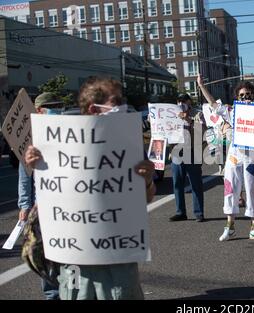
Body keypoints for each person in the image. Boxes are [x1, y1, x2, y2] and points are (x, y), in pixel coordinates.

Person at [25, 77, 156, 300]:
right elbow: (50, 200)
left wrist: (147, 180)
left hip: (118, 263)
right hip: (75, 263)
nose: (123, 107)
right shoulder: (59, 146)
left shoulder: (127, 145)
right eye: (116, 102)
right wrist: (35, 164)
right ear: (95, 108)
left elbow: (145, 199)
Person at [197, 74, 254, 241]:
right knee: (230, 190)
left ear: (253, 95)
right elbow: (214, 105)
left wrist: (253, 112)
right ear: (237, 97)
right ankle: (229, 227)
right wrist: (201, 86)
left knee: (253, 191)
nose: (245, 97)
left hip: (252, 157)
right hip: (234, 156)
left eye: (248, 94)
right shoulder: (232, 111)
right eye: (242, 95)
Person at [18, 92, 64, 300]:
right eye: (52, 106)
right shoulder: (31, 139)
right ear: (38, 111)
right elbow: (25, 175)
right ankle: (52, 294)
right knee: (47, 254)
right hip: (44, 208)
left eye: (59, 105)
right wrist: (25, 205)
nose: (58, 109)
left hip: (70, 205)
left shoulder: (70, 132)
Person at [168, 93, 206, 222]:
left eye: (184, 101)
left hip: (192, 151)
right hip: (177, 151)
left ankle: (199, 213)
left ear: (190, 102)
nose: (181, 103)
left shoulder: (198, 114)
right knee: (177, 183)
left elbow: (203, 130)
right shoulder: (172, 114)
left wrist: (189, 119)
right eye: (179, 101)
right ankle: (180, 212)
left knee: (196, 183)